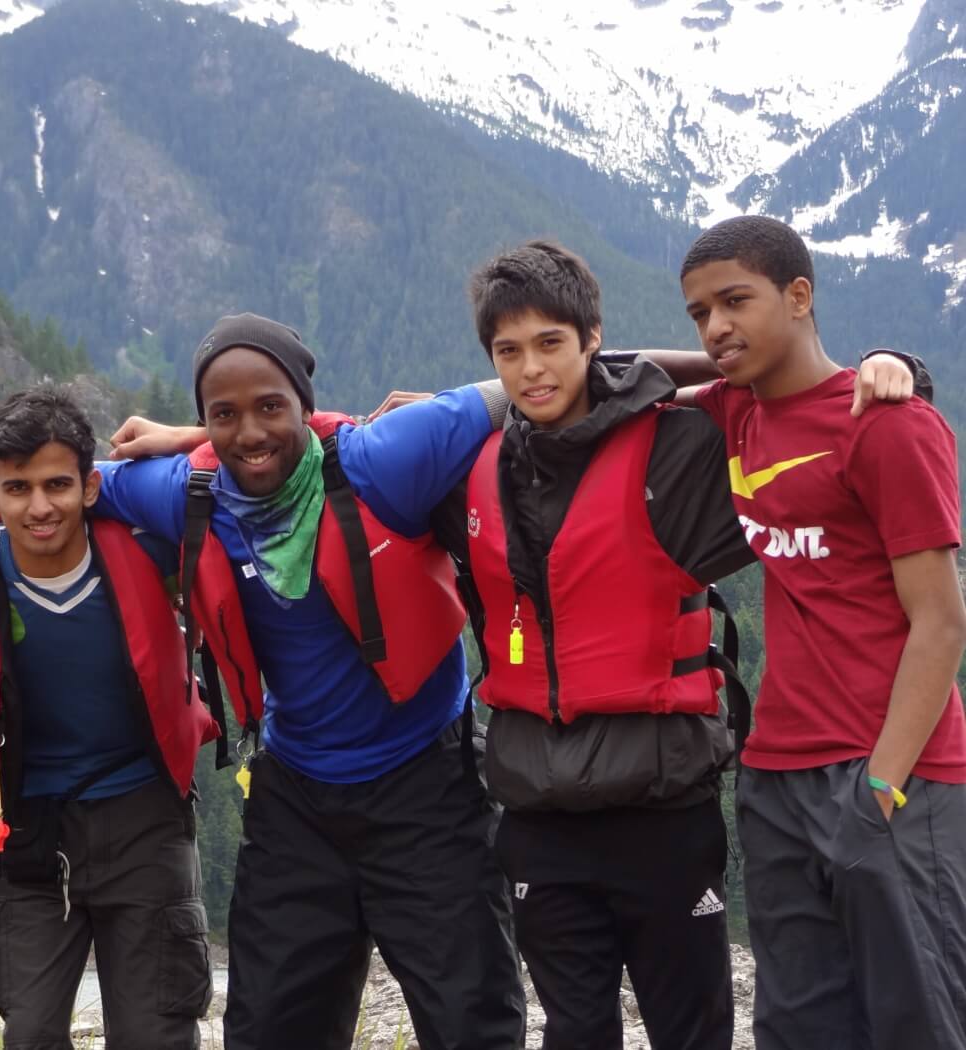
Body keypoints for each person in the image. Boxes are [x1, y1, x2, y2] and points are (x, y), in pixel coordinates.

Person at [96, 313, 526, 1050]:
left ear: (303, 404)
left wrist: (762, 366)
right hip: (296, 800)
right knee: (269, 1028)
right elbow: (39, 476)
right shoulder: (188, 491)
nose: (250, 433)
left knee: (471, 1023)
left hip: (429, 785)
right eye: (223, 416)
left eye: (270, 407)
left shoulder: (382, 459)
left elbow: (537, 379)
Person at [416, 240, 754, 1049]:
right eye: (509, 352)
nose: (531, 370)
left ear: (593, 338)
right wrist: (192, 441)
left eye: (551, 344)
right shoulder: (474, 466)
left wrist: (892, 368)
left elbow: (782, 388)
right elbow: (304, 452)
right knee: (574, 1031)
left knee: (692, 1030)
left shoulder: (673, 448)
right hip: (540, 816)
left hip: (663, 805)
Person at [680, 215, 966, 1050]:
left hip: (893, 771)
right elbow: (623, 374)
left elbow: (942, 622)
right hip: (775, 777)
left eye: (736, 301)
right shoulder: (736, 411)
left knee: (919, 1020)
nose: (716, 327)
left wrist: (880, 789)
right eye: (700, 313)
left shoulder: (888, 425)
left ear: (800, 295)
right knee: (798, 1025)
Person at [0, 386, 217, 1050]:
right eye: (17, 488)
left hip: (145, 822)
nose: (40, 505)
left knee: (156, 1033)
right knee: (29, 1030)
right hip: (31, 835)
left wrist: (182, 435)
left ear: (91, 487)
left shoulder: (150, 552)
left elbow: (258, 456)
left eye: (58, 484)